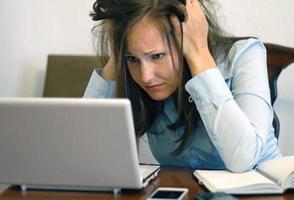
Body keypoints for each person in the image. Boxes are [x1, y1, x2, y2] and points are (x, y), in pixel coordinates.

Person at [84, 0, 281, 172]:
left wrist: (198, 53)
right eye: (133, 58)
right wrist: (118, 53)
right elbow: (84, 151)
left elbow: (244, 159)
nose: (146, 77)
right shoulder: (139, 80)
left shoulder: (246, 55)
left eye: (158, 56)